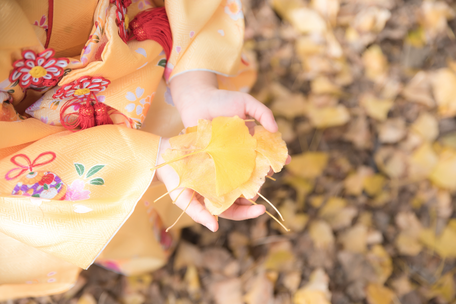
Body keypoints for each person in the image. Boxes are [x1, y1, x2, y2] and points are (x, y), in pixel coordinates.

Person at [0, 0, 279, 299]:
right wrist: (145, 158)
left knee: (180, 144)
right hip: (51, 156)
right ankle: (134, 241)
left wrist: (193, 80)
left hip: (147, 69)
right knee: (116, 207)